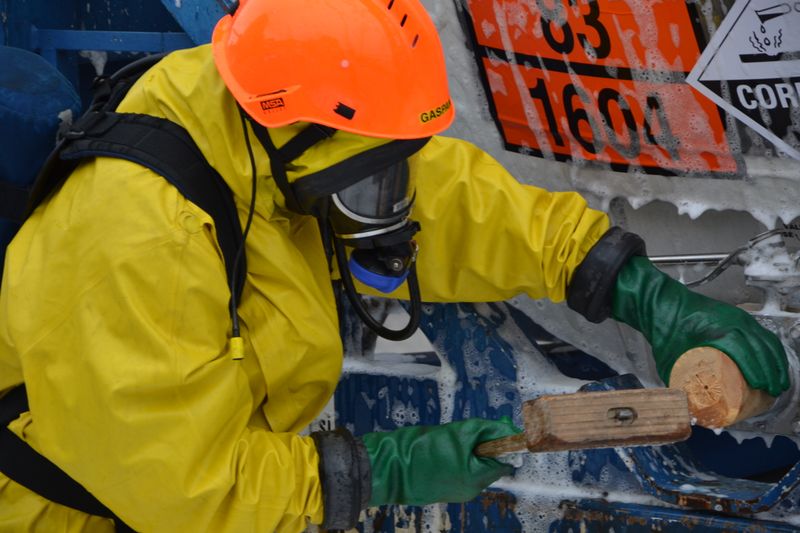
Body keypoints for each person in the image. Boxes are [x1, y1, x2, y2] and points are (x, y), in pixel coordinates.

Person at [0, 0, 789, 531]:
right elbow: (182, 493)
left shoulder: (263, 118)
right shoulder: (140, 241)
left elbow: (447, 200)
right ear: (300, 132)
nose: (394, 195)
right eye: (373, 173)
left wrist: (632, 285)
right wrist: (382, 469)